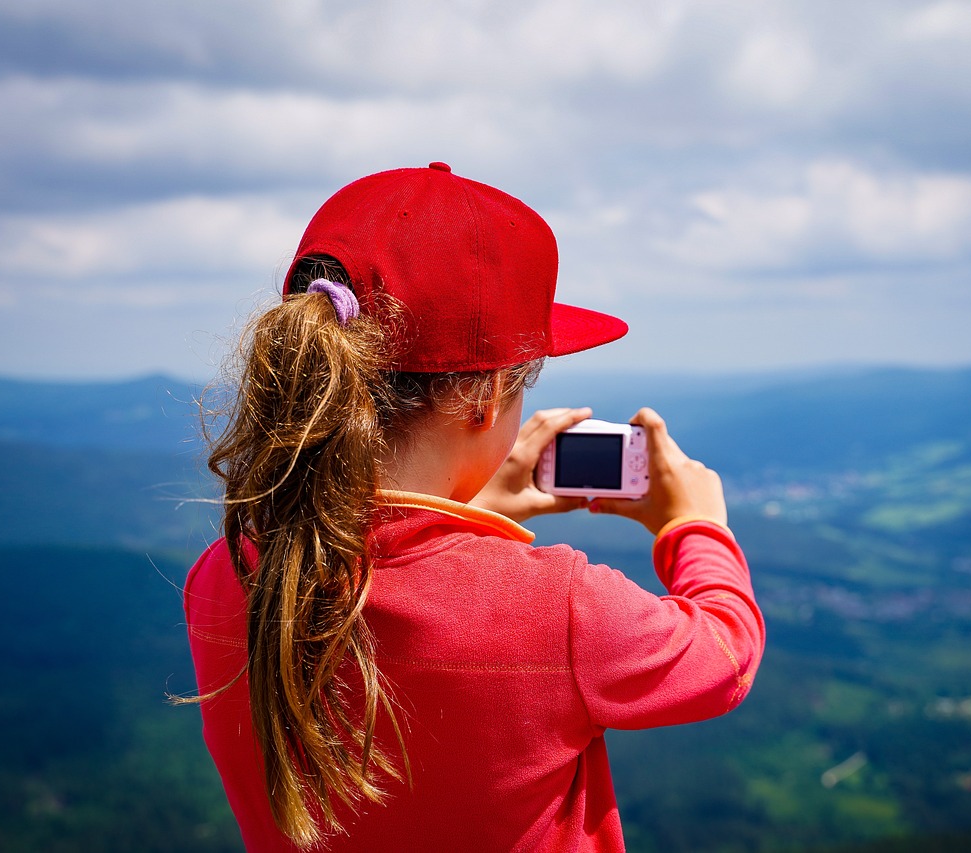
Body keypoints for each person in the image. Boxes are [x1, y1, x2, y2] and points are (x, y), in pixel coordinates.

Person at [183, 162, 765, 852]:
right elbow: (724, 653)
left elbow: (394, 578)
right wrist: (694, 526)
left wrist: (473, 506)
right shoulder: (562, 607)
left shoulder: (227, 573)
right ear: (488, 396)